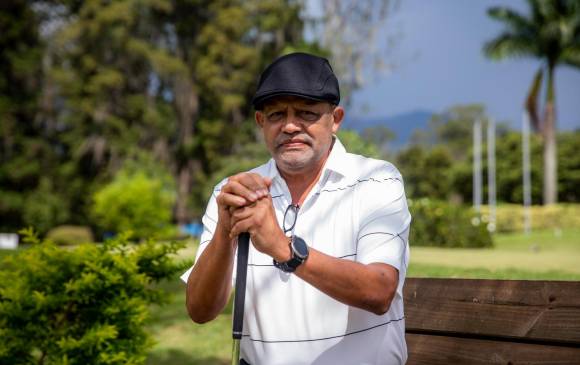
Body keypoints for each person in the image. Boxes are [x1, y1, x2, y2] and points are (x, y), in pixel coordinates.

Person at [181, 52, 411, 365]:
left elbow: (380, 291)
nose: (290, 126)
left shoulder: (375, 180)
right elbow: (200, 310)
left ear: (336, 120)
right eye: (276, 115)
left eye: (306, 113)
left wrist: (286, 250)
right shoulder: (234, 191)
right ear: (261, 122)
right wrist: (226, 232)